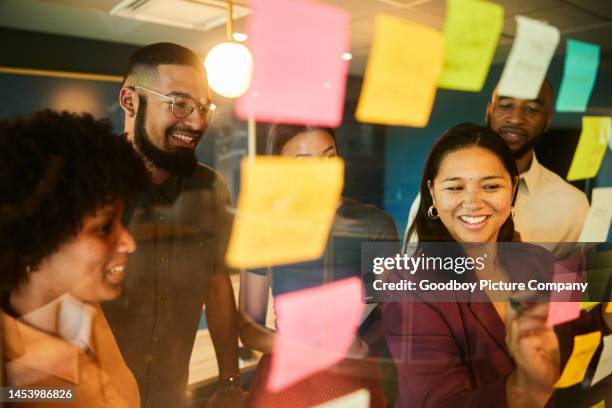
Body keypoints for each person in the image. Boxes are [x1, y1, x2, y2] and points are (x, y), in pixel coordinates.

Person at [384, 123, 611, 407]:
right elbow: (441, 402)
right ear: (432, 192)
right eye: (455, 187)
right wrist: (526, 387)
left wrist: (605, 319)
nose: (473, 202)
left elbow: (575, 333)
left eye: (491, 186)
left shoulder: (537, 260)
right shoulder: (410, 284)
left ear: (513, 187)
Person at [101, 43, 245, 407]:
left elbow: (217, 287)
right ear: (130, 101)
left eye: (203, 109)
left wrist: (229, 381)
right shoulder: (88, 184)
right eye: (179, 105)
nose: (197, 123)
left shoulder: (211, 189)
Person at [239, 124, 399, 407]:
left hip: (351, 375)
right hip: (287, 381)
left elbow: (393, 311)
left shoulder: (375, 224)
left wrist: (361, 344)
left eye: (329, 156)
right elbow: (248, 328)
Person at [0, 110, 150, 407]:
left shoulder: (81, 309)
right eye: (104, 227)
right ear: (38, 239)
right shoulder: (13, 364)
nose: (129, 243)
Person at [402, 81, 590, 257]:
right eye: (506, 105)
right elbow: (412, 263)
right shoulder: (438, 196)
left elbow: (577, 287)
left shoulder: (572, 205)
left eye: (531, 109)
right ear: (489, 110)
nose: (516, 119)